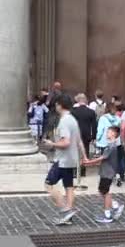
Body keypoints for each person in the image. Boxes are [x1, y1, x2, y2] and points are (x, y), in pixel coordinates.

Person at [43, 94, 82, 226]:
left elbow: (66, 142)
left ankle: (64, 209)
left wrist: (51, 144)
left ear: (59, 105)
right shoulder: (73, 120)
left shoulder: (64, 121)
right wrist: (84, 156)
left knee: (48, 184)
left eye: (56, 104)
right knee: (69, 187)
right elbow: (78, 141)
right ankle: (68, 215)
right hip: (72, 158)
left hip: (63, 159)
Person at [83, 126, 125, 223]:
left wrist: (89, 162)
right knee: (103, 191)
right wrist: (91, 162)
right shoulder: (110, 145)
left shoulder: (111, 146)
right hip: (106, 172)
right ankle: (115, 206)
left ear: (113, 134)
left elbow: (102, 158)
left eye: (108, 132)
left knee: (104, 192)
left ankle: (108, 214)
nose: (107, 134)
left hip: (107, 173)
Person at [71, 94, 96, 177]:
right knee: (85, 151)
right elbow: (94, 125)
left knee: (75, 151)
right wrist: (94, 136)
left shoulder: (73, 111)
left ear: (78, 101)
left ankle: (75, 170)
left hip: (75, 133)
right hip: (86, 134)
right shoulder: (91, 112)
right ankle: (83, 171)